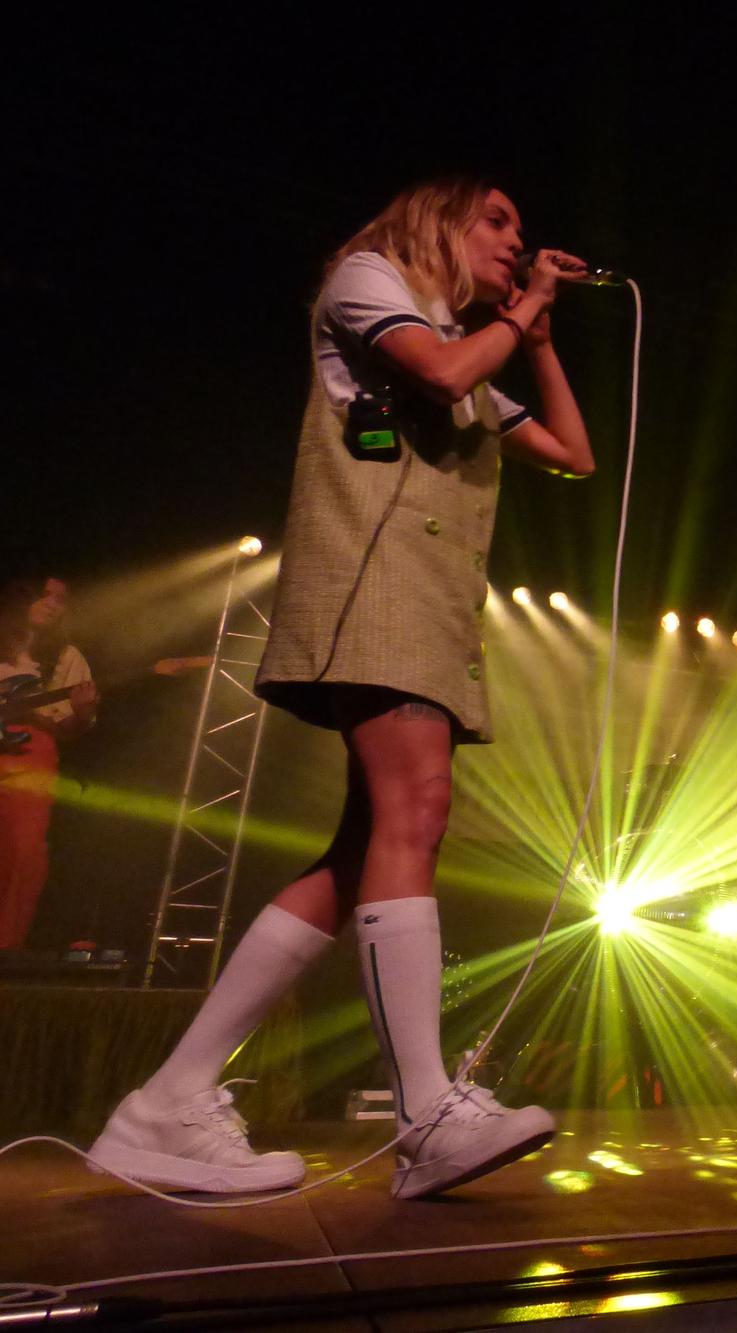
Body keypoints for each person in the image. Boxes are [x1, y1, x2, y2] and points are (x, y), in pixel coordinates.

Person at [89, 178, 597, 1196]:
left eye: (521, 232)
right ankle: (425, 1109)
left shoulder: (477, 347)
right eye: (496, 222)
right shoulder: (369, 279)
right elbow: (443, 363)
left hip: (430, 609)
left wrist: (535, 335)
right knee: (416, 809)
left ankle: (170, 1099)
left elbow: (571, 455)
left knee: (361, 847)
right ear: (436, 219)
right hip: (375, 588)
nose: (515, 241)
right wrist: (521, 311)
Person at [0, 576, 98, 949]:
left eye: (61, 599)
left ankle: (5, 949)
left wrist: (83, 713)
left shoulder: (67, 657)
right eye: (44, 595)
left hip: (31, 755)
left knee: (24, 851)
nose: (53, 603)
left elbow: (70, 728)